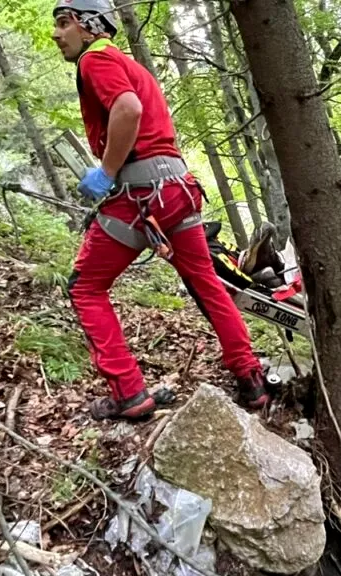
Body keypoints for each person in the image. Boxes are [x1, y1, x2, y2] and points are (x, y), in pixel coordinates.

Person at [52, 0, 267, 420]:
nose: (57, 34)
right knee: (205, 282)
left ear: (90, 25)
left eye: (64, 23)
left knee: (85, 287)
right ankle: (251, 379)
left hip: (140, 192)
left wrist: (106, 171)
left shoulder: (96, 58)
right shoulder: (132, 66)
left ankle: (129, 393)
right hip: (178, 188)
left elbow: (128, 110)